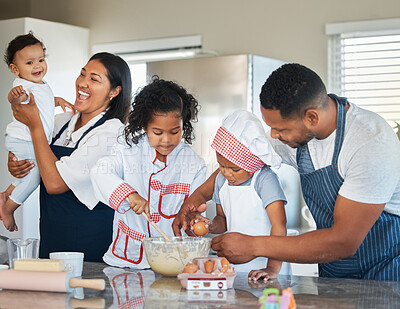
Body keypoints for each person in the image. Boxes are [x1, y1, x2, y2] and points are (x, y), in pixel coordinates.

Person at [173, 63, 400, 281]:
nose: (272, 136)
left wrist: (252, 246)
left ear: (312, 117)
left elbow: (344, 241)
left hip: (383, 274)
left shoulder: (370, 143)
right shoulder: (292, 137)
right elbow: (240, 161)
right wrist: (198, 197)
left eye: (280, 129)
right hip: (334, 270)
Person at [7, 52, 132, 262]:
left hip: (89, 247)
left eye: (94, 79)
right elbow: (31, 151)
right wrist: (16, 163)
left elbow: (55, 183)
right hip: (52, 239)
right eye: (82, 74)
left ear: (114, 91)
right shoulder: (62, 121)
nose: (82, 83)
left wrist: (35, 124)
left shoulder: (111, 133)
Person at [90, 77, 206, 268]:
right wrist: (130, 195)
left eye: (175, 132)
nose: (166, 140)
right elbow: (100, 172)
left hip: (175, 261)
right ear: (145, 125)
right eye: (158, 133)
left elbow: (195, 206)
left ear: (183, 125)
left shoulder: (194, 164)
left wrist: (193, 218)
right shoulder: (127, 150)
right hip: (129, 259)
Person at [190, 109, 288, 278]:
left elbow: (279, 226)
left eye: (235, 169)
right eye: (221, 165)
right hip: (236, 267)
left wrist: (272, 268)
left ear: (253, 163)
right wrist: (211, 226)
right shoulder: (222, 181)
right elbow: (223, 221)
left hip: (267, 266)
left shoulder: (264, 181)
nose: (227, 173)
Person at [0, 32, 74, 232]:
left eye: (41, 60)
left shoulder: (39, 85)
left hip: (23, 139)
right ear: (15, 69)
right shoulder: (22, 85)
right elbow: (17, 101)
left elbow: (41, 103)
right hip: (23, 139)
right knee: (34, 177)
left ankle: (5, 195)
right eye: (30, 63)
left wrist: (57, 101)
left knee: (28, 174)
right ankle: (8, 209)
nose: (38, 66)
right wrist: (15, 98)